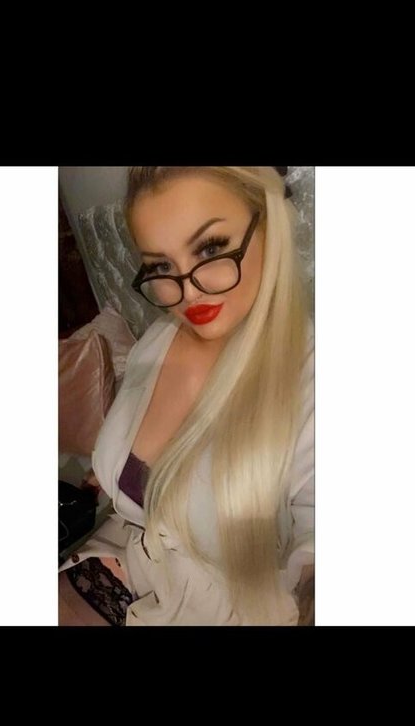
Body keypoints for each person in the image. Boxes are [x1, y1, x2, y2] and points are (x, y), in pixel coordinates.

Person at [59, 166, 314, 626]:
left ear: (269, 221)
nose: (188, 291)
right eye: (160, 266)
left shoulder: (315, 375)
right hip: (131, 563)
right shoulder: (159, 338)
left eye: (210, 248)